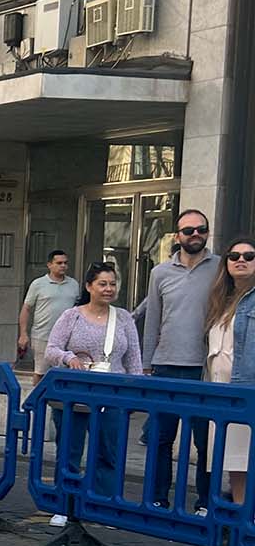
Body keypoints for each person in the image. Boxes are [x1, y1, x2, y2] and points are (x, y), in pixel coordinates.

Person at [142, 209, 220, 512]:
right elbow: (153, 321)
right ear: (178, 236)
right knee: (161, 439)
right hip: (166, 366)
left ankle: (204, 502)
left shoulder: (219, 269)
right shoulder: (160, 273)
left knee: (205, 442)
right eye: (188, 231)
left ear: (207, 232)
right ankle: (158, 499)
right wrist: (147, 364)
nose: (195, 235)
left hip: (204, 367)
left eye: (201, 229)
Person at [45, 262, 144, 498]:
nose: (108, 288)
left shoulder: (123, 318)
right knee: (70, 450)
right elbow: (51, 350)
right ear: (89, 286)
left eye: (112, 284)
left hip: (113, 395)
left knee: (109, 452)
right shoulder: (72, 316)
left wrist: (136, 392)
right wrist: (69, 358)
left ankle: (104, 501)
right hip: (76, 394)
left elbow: (134, 359)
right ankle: (64, 502)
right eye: (102, 284)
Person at [204, 236, 255, 506]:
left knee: (248, 454)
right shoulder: (221, 300)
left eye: (249, 256)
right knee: (235, 458)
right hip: (221, 388)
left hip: (246, 386)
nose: (241, 261)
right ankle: (240, 512)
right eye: (234, 256)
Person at [18, 250, 80, 376]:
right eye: (59, 263)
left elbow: (78, 309)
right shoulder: (38, 284)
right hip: (43, 335)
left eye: (65, 263)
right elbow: (26, 309)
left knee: (66, 373)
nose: (63, 265)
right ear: (49, 265)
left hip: (68, 337)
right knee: (41, 373)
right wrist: (23, 334)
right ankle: (38, 396)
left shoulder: (73, 284)